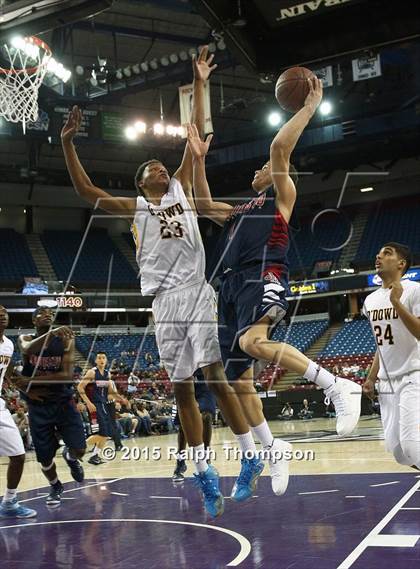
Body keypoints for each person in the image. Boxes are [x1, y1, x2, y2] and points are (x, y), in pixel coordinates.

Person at [61, 46, 265, 517]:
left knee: (214, 377)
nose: (158, 166)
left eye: (160, 164)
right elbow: (86, 192)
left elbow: (194, 134)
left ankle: (250, 456)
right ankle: (203, 473)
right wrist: (69, 143)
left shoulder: (177, 187)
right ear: (140, 183)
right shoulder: (135, 208)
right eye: (149, 167)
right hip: (163, 301)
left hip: (195, 291)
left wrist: (199, 82)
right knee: (181, 392)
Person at [186, 77, 362, 495]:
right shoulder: (238, 210)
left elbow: (279, 148)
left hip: (263, 275)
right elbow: (200, 203)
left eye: (263, 169)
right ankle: (272, 449)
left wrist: (309, 107)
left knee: (253, 342)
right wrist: (196, 161)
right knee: (237, 383)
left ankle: (335, 384)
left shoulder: (281, 197)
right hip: (229, 288)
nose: (258, 170)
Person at [14, 307, 86, 506]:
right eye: (42, 313)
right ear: (33, 320)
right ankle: (55, 486)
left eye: (50, 313)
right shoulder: (25, 338)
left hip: (63, 402)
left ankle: (70, 458)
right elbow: (27, 349)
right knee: (45, 459)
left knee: (80, 449)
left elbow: (66, 376)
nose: (48, 314)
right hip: (38, 406)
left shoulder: (65, 339)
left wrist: (28, 380)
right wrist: (50, 334)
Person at [362, 242, 420, 469]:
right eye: (378, 253)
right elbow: (382, 344)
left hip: (412, 375)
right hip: (386, 382)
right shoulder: (370, 300)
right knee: (398, 452)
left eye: (387, 253)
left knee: (412, 446)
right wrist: (370, 377)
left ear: (401, 264)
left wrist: (396, 302)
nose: (379, 257)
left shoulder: (414, 290)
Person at [0, 305, 36, 519]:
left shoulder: (8, 345)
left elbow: (8, 373)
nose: (2, 317)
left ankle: (9, 502)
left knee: (18, 455)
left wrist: (26, 390)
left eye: (5, 314)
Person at [77, 352, 127, 465]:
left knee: (106, 433)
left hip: (104, 405)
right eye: (99, 358)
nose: (101, 360)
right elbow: (80, 387)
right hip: (95, 406)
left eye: (103, 358)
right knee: (102, 433)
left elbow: (110, 391)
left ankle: (95, 456)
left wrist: (121, 399)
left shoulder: (107, 374)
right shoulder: (92, 372)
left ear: (106, 360)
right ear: (95, 360)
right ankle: (77, 449)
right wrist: (88, 403)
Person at [173, 369, 217, 481]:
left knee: (207, 416)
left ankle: (206, 459)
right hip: (185, 375)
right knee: (184, 427)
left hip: (205, 377)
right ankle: (180, 463)